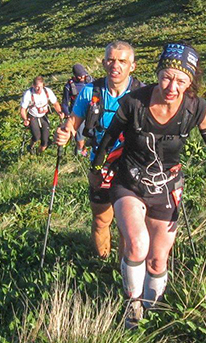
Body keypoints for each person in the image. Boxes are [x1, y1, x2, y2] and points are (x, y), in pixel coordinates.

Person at [90, 43, 206, 328]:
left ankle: (153, 313)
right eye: (167, 77)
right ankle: (132, 308)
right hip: (129, 182)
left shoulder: (198, 109)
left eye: (181, 81)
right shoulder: (134, 102)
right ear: (158, 74)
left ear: (191, 82)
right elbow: (109, 138)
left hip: (167, 187)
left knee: (158, 260)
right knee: (136, 245)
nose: (172, 86)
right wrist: (98, 169)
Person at [54, 41, 143, 259]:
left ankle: (124, 268)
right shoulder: (89, 93)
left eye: (122, 61)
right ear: (103, 63)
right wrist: (64, 134)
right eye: (111, 60)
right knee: (101, 219)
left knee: (128, 223)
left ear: (132, 66)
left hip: (132, 165)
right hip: (99, 165)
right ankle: (102, 262)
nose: (116, 65)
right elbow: (72, 124)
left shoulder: (142, 94)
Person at [20, 76, 64, 154]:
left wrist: (60, 112)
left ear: (43, 85)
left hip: (44, 116)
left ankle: (39, 154)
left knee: (45, 141)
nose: (39, 89)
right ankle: (30, 146)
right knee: (36, 136)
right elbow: (23, 109)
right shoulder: (28, 94)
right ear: (33, 86)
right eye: (37, 87)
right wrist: (25, 119)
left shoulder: (47, 92)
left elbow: (55, 103)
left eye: (40, 87)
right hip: (33, 116)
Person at [62, 64, 94, 156]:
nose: (82, 77)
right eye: (80, 76)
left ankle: (85, 150)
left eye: (83, 75)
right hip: (77, 114)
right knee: (80, 138)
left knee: (92, 135)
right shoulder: (68, 86)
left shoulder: (90, 81)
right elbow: (64, 103)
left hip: (91, 113)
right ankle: (80, 155)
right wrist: (67, 114)